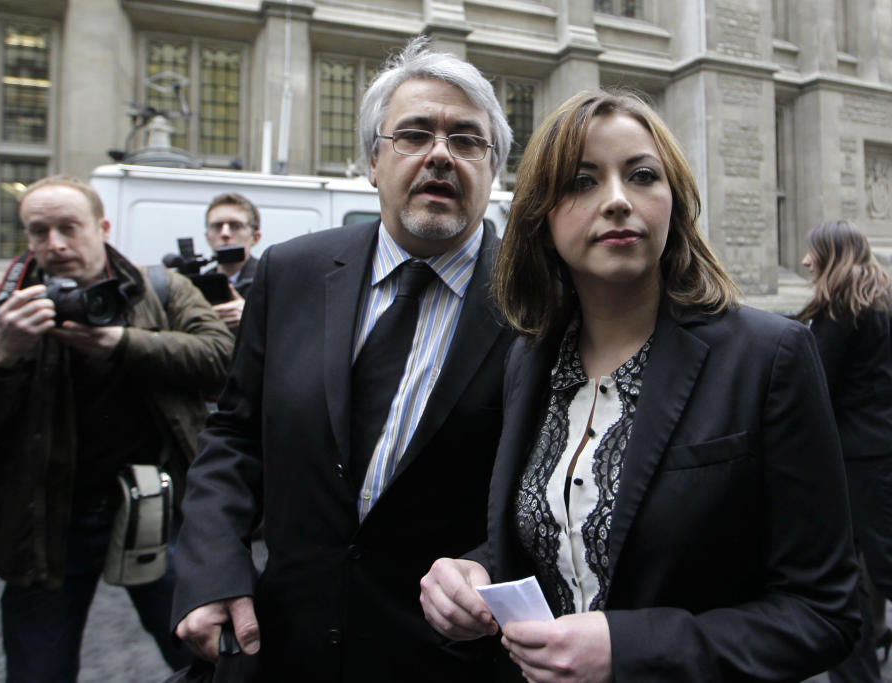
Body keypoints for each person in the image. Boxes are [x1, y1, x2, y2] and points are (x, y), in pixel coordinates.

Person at [419, 89, 861, 682]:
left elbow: (825, 613)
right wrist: (471, 577)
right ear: (541, 219)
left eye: (642, 175)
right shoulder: (529, 361)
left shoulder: (769, 355)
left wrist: (631, 648)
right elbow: (556, 539)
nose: (618, 201)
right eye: (581, 182)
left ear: (673, 203)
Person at [171, 37, 515, 682]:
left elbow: (548, 490)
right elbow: (236, 434)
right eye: (414, 134)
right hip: (282, 642)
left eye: (467, 140)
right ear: (372, 162)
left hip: (441, 659)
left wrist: (485, 567)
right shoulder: (294, 272)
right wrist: (212, 564)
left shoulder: (537, 305)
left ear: (492, 170)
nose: (441, 154)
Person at [0, 174, 234, 682]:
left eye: (68, 228)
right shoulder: (7, 308)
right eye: (38, 231)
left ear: (102, 227)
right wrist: (2, 355)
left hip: (154, 511)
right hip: (45, 522)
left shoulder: (158, 287)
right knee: (38, 671)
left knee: (206, 657)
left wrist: (122, 342)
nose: (54, 244)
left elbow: (220, 357)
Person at [796, 219, 892, 682]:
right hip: (875, 449)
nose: (805, 261)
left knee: (870, 565)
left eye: (813, 252)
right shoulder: (878, 299)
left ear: (833, 253)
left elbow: (816, 379)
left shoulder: (843, 308)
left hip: (857, 457)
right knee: (852, 571)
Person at [203, 192, 261, 328]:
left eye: (236, 225)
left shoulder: (271, 279)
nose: (225, 233)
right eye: (217, 226)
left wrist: (252, 316)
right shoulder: (199, 284)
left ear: (255, 237)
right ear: (207, 237)